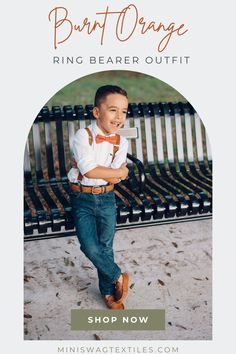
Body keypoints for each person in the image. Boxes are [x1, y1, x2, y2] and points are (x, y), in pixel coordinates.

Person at [68, 85, 130, 309]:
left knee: (106, 246)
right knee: (89, 246)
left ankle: (107, 293)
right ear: (96, 112)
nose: (119, 117)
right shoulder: (82, 136)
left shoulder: (122, 142)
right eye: (113, 110)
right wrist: (119, 172)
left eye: (124, 111)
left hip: (106, 198)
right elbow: (91, 172)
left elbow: (111, 179)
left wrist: (110, 174)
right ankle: (117, 275)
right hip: (82, 198)